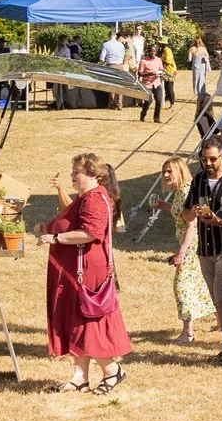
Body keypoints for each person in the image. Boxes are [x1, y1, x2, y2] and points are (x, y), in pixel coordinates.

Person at [42, 153, 130, 393]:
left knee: (88, 322)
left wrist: (56, 237)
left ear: (93, 174)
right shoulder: (87, 196)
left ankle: (112, 371)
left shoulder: (94, 199)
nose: (72, 175)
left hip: (88, 272)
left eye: (76, 172)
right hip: (79, 269)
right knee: (76, 320)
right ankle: (80, 376)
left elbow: (91, 233)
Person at [182, 139, 222, 363]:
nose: (208, 163)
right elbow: (186, 214)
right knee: (216, 299)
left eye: (212, 159)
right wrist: (193, 212)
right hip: (206, 248)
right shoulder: (198, 180)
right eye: (204, 159)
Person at [153, 156, 215, 344]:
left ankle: (187, 333)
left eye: (169, 171)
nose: (165, 175)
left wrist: (181, 252)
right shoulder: (180, 192)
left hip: (191, 245)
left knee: (182, 286)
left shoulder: (187, 190)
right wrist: (166, 207)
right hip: (188, 244)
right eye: (164, 171)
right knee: (204, 283)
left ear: (180, 171)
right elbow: (182, 213)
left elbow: (191, 225)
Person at [137, 42, 166, 123]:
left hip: (157, 83)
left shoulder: (158, 60)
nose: (153, 53)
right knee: (148, 102)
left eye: (154, 52)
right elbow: (140, 73)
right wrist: (150, 73)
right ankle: (143, 114)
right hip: (147, 84)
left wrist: (162, 72)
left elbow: (161, 69)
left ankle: (156, 118)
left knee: (159, 101)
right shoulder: (144, 61)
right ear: (148, 52)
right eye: (151, 51)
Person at [188, 35, 211, 116]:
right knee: (202, 80)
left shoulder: (192, 49)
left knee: (196, 80)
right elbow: (208, 56)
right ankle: (203, 93)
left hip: (196, 67)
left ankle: (198, 94)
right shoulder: (203, 49)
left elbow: (189, 59)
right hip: (202, 67)